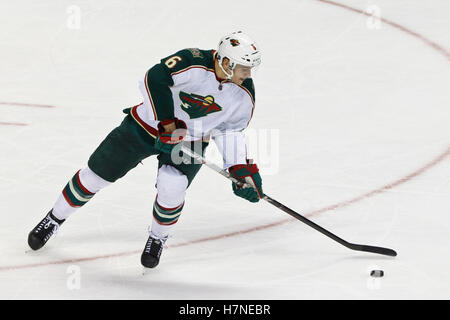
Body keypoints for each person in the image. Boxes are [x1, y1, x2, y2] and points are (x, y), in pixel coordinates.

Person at [28, 31, 263, 269]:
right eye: (244, 67)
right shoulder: (193, 62)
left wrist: (239, 168)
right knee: (96, 175)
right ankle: (53, 219)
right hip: (145, 126)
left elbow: (229, 131)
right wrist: (167, 123)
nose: (248, 74)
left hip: (188, 142)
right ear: (226, 62)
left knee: (173, 186)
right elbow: (154, 78)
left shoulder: (244, 93)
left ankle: (157, 238)